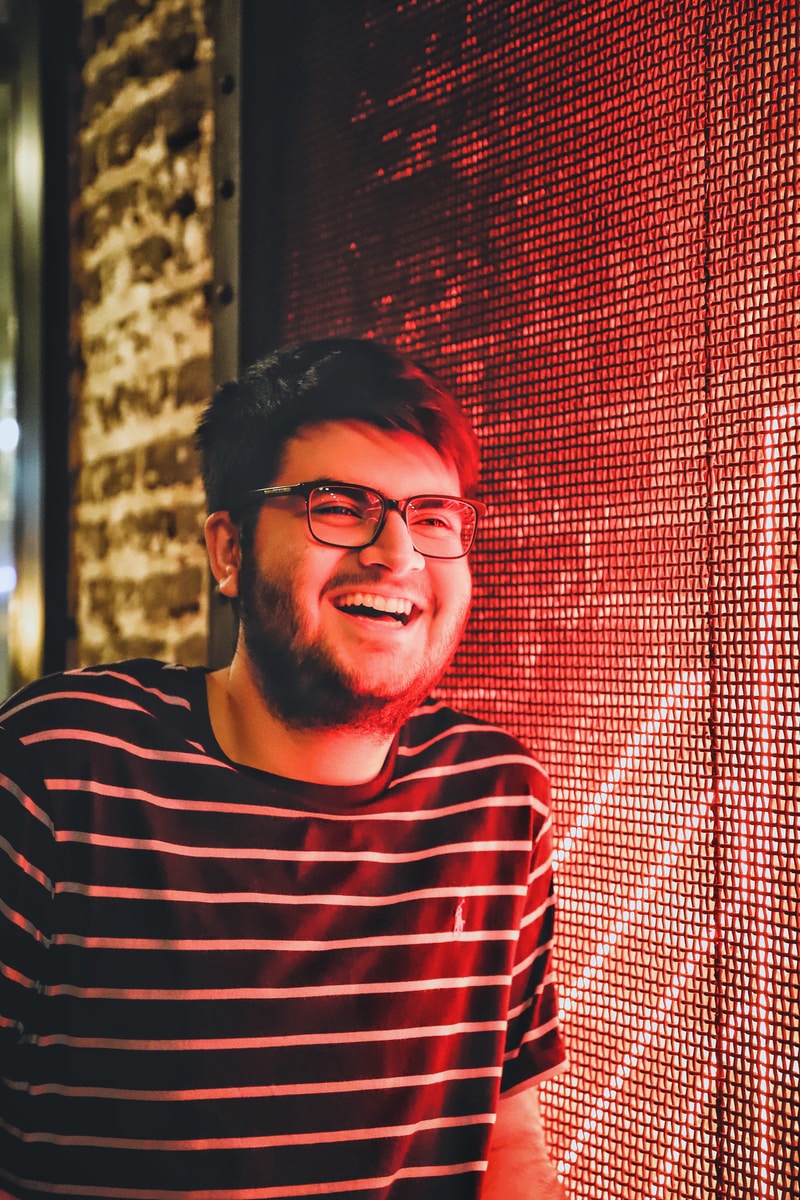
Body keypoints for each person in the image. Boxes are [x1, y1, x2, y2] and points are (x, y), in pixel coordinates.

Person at [0, 339, 567, 1199]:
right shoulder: (60, 768)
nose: (397, 553)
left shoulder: (495, 796)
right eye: (338, 507)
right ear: (227, 552)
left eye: (434, 517)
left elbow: (509, 1136)